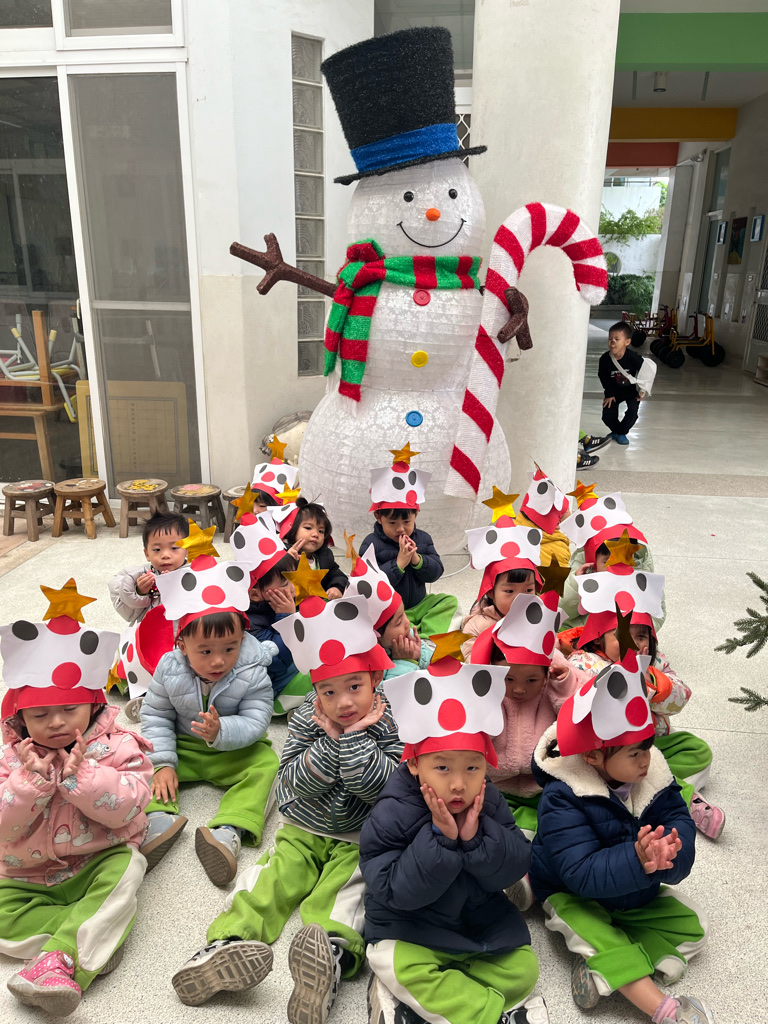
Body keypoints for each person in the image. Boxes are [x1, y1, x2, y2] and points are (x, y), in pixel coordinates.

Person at [171, 595, 400, 1024]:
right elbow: (290, 782)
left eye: (354, 687)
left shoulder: (392, 720)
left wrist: (351, 740)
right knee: (270, 878)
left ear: (375, 678)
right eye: (328, 692)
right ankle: (226, 944)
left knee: (348, 893)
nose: (343, 703)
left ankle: (327, 957)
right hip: (303, 828)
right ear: (315, 691)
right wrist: (330, 744)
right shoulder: (306, 719)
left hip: (362, 838)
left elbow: (386, 789)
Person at [360, 656, 549, 1024]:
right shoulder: (393, 809)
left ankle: (417, 1007)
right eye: (443, 767)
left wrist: (478, 839)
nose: (459, 784)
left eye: (473, 767)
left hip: (476, 925)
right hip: (411, 927)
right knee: (391, 960)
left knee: (524, 970)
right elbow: (393, 891)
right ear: (414, 764)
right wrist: (440, 841)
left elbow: (515, 865)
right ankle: (489, 1015)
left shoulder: (487, 799)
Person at [529, 647, 713, 1024]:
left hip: (635, 887)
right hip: (572, 892)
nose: (647, 759)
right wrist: (638, 860)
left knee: (695, 927)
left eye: (648, 746)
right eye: (634, 753)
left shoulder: (653, 775)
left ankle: (604, 968)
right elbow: (579, 872)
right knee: (591, 928)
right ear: (594, 756)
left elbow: (678, 819)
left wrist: (669, 853)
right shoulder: (563, 795)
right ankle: (663, 1009)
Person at [0, 583, 152, 1017]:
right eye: (40, 715)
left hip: (98, 859)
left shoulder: (118, 745)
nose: (56, 723)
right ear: (20, 717)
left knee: (128, 870)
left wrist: (82, 777)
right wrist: (28, 783)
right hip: (26, 874)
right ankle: (91, 939)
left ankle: (61, 959)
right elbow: (3, 830)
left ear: (92, 703)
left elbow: (130, 806)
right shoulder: (10, 759)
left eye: (69, 710)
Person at [139, 555, 278, 885]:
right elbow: (156, 714)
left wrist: (221, 731)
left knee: (267, 765)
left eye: (230, 648)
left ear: (242, 639)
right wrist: (163, 764)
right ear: (182, 645)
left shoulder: (252, 669)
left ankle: (229, 829)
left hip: (232, 749)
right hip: (184, 746)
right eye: (205, 651)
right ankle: (158, 819)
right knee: (136, 761)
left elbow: (258, 718)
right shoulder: (168, 668)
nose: (218, 661)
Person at [566, 604, 724, 841]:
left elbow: (681, 698)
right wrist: (627, 677)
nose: (632, 644)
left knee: (697, 752)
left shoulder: (655, 662)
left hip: (652, 742)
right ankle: (679, 798)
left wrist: (651, 681)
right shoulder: (584, 663)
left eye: (641, 636)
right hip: (613, 752)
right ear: (598, 638)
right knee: (612, 770)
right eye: (621, 635)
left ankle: (643, 789)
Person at [469, 592, 585, 838]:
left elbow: (577, 719)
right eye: (508, 679)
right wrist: (486, 699)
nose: (519, 689)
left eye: (531, 680)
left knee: (564, 824)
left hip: (547, 782)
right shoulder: (486, 688)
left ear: (546, 672)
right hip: (494, 783)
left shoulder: (556, 679)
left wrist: (563, 685)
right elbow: (476, 734)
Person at [362, 450, 457, 637]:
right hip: (392, 611)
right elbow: (369, 586)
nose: (401, 529)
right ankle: (412, 636)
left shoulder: (423, 539)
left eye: (407, 522)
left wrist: (416, 559)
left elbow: (436, 572)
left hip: (420, 604)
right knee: (374, 623)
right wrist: (398, 564)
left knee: (449, 601)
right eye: (392, 523)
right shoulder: (370, 544)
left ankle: (426, 638)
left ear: (416, 515)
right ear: (378, 517)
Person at [230, 512, 312, 715]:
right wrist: (286, 618)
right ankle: (291, 708)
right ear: (255, 594)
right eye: (285, 583)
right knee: (322, 673)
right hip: (273, 685)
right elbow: (277, 662)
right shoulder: (247, 623)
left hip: (292, 666)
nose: (292, 588)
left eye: (291, 579)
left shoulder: (273, 601)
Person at [560, 489, 666, 631]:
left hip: (629, 636)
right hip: (584, 635)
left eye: (624, 559)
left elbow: (658, 614)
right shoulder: (583, 571)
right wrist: (577, 584)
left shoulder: (642, 575)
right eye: (606, 561)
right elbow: (562, 609)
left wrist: (638, 631)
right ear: (593, 561)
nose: (615, 566)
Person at [345, 545, 435, 676]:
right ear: (374, 637)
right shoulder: (365, 663)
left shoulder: (403, 635)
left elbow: (437, 662)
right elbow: (387, 689)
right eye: (398, 622)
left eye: (403, 614)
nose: (407, 622)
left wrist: (419, 654)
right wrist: (404, 662)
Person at [461, 517, 542, 658]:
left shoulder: (539, 618)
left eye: (528, 590)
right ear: (490, 591)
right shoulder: (478, 626)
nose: (520, 598)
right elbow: (469, 657)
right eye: (510, 591)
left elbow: (551, 648)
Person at [108, 511, 189, 625]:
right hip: (152, 628)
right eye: (157, 550)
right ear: (147, 554)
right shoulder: (142, 574)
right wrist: (140, 591)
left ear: (187, 550)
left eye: (174, 548)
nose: (165, 555)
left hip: (185, 630)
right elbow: (128, 611)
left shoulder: (194, 573)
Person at [283, 497, 348, 599]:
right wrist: (286, 560)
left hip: (319, 606)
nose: (315, 534)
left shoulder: (324, 557)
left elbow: (338, 576)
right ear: (292, 529)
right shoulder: (282, 554)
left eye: (321, 531)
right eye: (308, 528)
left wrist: (336, 587)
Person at [598, 321, 644, 445]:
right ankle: (617, 431)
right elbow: (603, 377)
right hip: (613, 391)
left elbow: (645, 372)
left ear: (627, 342)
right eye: (610, 339)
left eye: (617, 339)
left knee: (632, 412)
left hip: (630, 391)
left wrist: (643, 389)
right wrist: (609, 393)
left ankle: (621, 433)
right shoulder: (604, 359)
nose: (612, 342)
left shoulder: (633, 357)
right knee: (607, 415)